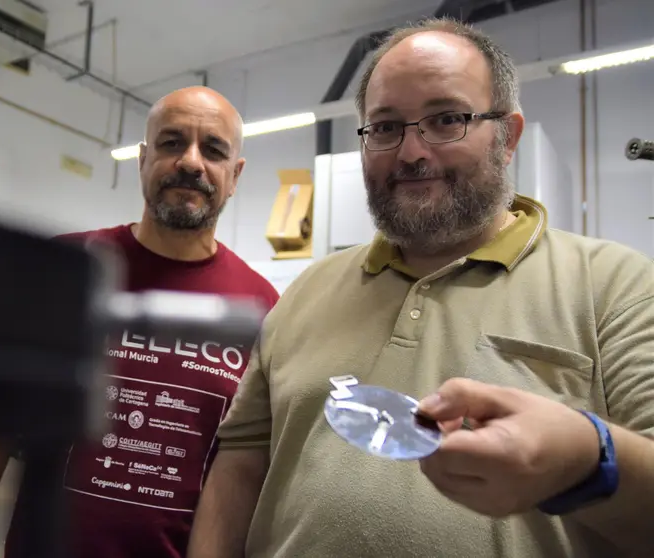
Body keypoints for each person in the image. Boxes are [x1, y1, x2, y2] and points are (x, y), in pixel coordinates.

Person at [188, 17, 654, 558]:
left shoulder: (615, 286)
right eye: (385, 127)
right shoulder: (306, 291)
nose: (411, 152)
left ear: (509, 137)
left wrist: (589, 460)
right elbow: (243, 459)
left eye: (447, 119)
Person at [0, 86, 280, 558]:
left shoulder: (261, 308)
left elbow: (243, 472)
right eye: (172, 142)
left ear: (234, 175)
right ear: (142, 159)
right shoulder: (64, 268)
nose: (191, 162)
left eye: (213, 150)